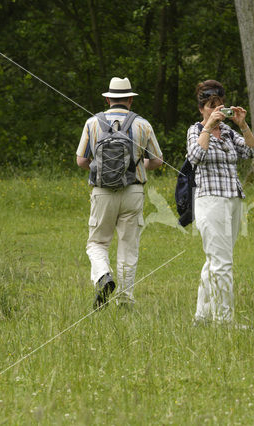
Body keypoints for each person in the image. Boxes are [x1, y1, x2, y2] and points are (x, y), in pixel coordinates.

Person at [76, 77, 163, 309]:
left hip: (102, 192)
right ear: (131, 100)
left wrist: (101, 169)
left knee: (97, 243)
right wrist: (136, 167)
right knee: (128, 246)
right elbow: (157, 160)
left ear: (107, 98)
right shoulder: (142, 124)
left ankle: (104, 276)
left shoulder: (92, 122)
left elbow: (81, 160)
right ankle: (125, 300)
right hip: (133, 191)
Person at [186, 80, 254, 326]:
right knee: (222, 263)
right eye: (210, 106)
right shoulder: (196, 130)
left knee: (215, 259)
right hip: (210, 201)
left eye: (220, 106)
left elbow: (252, 151)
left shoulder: (229, 133)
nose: (216, 110)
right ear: (201, 109)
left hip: (233, 200)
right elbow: (195, 156)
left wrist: (242, 124)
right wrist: (208, 125)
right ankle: (224, 321)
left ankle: (203, 317)